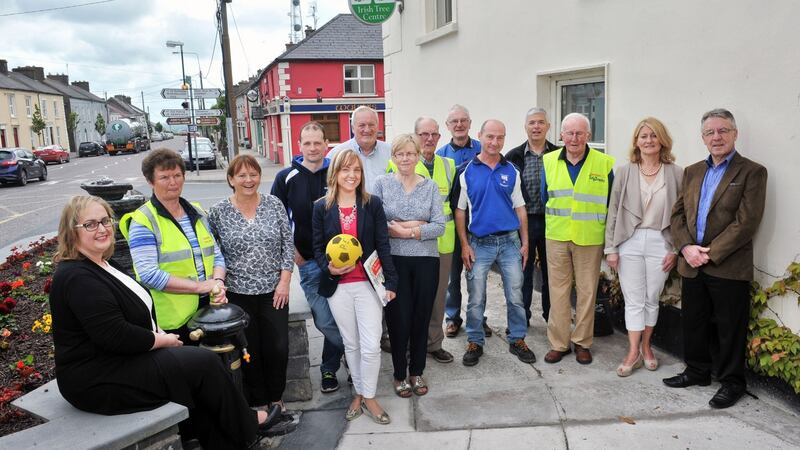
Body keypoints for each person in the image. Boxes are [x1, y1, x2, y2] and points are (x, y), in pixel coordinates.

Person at [51, 196, 281, 450]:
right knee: (201, 363)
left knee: (195, 370)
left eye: (105, 220)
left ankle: (219, 441)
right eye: (90, 224)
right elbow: (113, 334)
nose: (103, 229)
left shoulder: (104, 263)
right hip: (96, 376)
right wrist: (163, 340)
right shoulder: (76, 276)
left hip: (121, 359)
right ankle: (248, 425)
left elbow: (128, 314)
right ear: (71, 231)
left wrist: (156, 332)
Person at [663, 108, 767, 409]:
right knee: (693, 322)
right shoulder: (692, 171)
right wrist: (685, 248)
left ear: (735, 134)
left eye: (723, 131)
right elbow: (678, 214)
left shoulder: (752, 171)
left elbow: (747, 222)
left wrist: (709, 253)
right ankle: (697, 371)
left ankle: (732, 382)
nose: (716, 137)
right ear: (703, 138)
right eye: (710, 132)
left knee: (729, 326)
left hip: (728, 265)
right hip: (691, 262)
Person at [312, 149, 398, 424]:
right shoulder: (321, 207)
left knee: (371, 345)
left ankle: (369, 396)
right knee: (352, 344)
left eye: (357, 170)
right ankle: (359, 394)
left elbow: (383, 243)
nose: (351, 175)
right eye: (345, 170)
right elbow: (316, 248)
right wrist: (329, 268)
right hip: (339, 287)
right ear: (335, 173)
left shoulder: (372, 204)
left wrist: (391, 281)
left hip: (368, 285)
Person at [208, 155, 294, 413]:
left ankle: (277, 399)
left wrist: (285, 282)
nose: (249, 180)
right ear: (231, 179)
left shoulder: (274, 204)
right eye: (242, 175)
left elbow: (287, 245)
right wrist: (217, 284)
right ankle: (258, 403)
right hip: (237, 293)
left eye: (253, 174)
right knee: (249, 350)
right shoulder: (218, 211)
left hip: (273, 291)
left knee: (277, 347)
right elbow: (214, 252)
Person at [121, 149, 226, 344]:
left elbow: (216, 255)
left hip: (208, 309)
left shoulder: (197, 211)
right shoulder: (144, 220)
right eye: (164, 177)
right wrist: (201, 286)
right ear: (151, 181)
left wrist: (218, 283)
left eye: (177, 175)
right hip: (173, 322)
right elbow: (148, 274)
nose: (173, 182)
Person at [604, 117, 683, 376]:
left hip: (662, 242)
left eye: (653, 135)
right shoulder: (625, 171)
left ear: (662, 140)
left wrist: (675, 250)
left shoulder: (676, 173)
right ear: (636, 141)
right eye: (643, 136)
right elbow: (613, 211)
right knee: (633, 300)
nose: (648, 140)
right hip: (630, 240)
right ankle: (632, 351)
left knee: (651, 298)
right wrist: (611, 248)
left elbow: (682, 215)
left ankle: (647, 348)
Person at [272, 121, 346, 394]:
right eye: (307, 143)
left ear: (326, 144)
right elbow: (276, 222)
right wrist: (294, 255)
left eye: (318, 142)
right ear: (299, 145)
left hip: (342, 261)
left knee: (341, 316)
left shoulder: (337, 173)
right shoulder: (286, 177)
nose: (313, 148)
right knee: (325, 319)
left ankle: (329, 369)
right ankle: (355, 353)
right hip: (310, 262)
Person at [455, 119, 535, 367]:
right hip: (479, 243)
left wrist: (525, 243)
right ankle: (475, 340)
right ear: (480, 136)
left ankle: (517, 338)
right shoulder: (466, 171)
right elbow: (460, 211)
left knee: (515, 295)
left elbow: (520, 208)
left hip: (509, 243)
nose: (495, 142)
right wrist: (465, 245)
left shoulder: (511, 170)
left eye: (500, 137)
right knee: (476, 297)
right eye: (490, 137)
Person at [375, 134, 445, 397]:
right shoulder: (381, 184)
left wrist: (404, 230)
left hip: (426, 261)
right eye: (400, 154)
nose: (405, 158)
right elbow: (379, 223)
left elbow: (438, 226)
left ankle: (417, 371)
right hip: (393, 262)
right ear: (393, 157)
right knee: (398, 319)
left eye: (410, 154)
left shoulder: (430, 187)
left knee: (420, 317)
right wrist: (417, 224)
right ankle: (399, 374)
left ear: (418, 156)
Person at [542, 113, 615, 365]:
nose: (574, 138)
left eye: (579, 133)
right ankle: (559, 343)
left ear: (589, 135)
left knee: (587, 291)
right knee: (558, 292)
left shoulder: (604, 164)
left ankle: (582, 342)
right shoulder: (548, 161)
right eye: (569, 133)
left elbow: (610, 203)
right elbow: (544, 198)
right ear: (561, 135)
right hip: (557, 236)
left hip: (590, 237)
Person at [387, 117, 456, 364]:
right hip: (400, 250)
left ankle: (433, 343)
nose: (429, 139)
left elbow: (456, 207)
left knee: (436, 300)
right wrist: (414, 226)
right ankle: (405, 346)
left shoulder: (448, 166)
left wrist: (414, 228)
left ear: (439, 137)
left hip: (440, 244)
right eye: (423, 134)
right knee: (404, 305)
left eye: (433, 134)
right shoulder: (391, 171)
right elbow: (383, 213)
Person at [437, 104, 489, 338]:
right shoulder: (441, 156)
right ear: (448, 126)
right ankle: (453, 318)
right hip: (452, 223)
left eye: (463, 120)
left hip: (478, 223)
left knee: (478, 275)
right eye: (454, 121)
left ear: (470, 123)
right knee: (452, 276)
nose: (459, 125)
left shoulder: (483, 148)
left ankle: (479, 319)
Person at [506, 107, 558, 324]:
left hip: (552, 222)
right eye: (532, 123)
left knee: (552, 274)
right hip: (523, 223)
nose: (536, 127)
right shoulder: (513, 157)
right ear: (525, 127)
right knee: (522, 274)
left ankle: (552, 316)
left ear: (548, 126)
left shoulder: (558, 155)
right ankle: (522, 317)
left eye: (540, 122)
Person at [326, 106, 391, 193]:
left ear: (377, 126)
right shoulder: (336, 154)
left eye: (371, 125)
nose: (367, 130)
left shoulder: (391, 152)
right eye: (362, 125)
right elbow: (329, 187)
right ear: (353, 128)